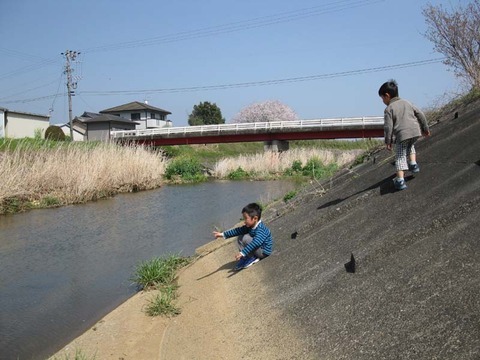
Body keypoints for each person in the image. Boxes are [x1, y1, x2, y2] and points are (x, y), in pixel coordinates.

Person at [378, 79, 431, 190]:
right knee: (410, 146)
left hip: (402, 135)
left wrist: (388, 141)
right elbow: (420, 114)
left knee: (400, 156)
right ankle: (413, 164)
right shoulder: (407, 102)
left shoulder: (389, 109)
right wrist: (425, 128)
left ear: (387, 95)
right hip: (415, 132)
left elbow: (388, 127)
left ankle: (400, 180)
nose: (382, 100)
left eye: (382, 98)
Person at [213, 202, 273, 270]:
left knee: (245, 238)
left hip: (263, 252)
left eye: (246, 218)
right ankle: (247, 257)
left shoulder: (261, 229)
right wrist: (222, 234)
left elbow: (256, 243)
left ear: (255, 218)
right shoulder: (251, 226)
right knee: (240, 237)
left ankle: (251, 257)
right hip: (258, 249)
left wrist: (242, 253)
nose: (244, 221)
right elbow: (237, 231)